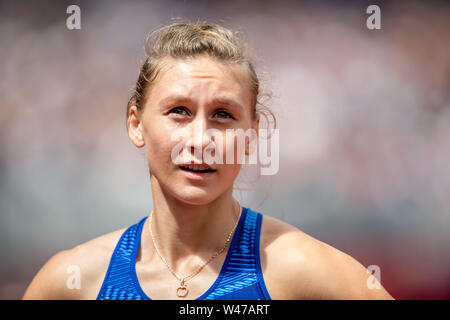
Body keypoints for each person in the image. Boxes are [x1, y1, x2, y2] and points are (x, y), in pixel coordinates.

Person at [23, 21, 394, 300]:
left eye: (223, 115)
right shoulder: (74, 280)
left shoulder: (301, 270)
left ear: (251, 134)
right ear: (136, 124)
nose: (201, 139)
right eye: (179, 111)